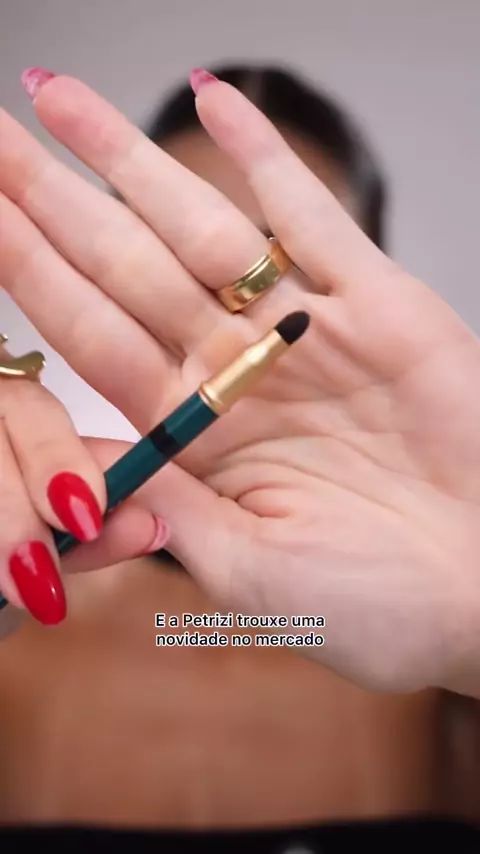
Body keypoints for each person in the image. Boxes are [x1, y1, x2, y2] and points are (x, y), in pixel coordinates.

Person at [0, 63, 479, 849]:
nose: (234, 322)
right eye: (175, 255)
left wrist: (471, 605)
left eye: (278, 272)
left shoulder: (449, 685)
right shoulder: (16, 626)